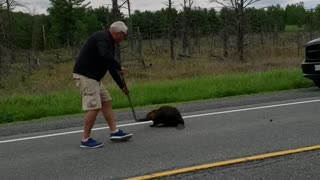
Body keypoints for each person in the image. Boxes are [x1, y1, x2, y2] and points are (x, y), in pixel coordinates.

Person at [73, 21, 132, 148]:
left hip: (94, 79)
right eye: (124, 35)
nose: (124, 38)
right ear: (117, 33)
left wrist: (122, 86)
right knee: (94, 106)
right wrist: (118, 66)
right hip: (86, 76)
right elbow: (104, 54)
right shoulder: (102, 37)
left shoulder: (110, 43)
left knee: (106, 101)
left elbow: (110, 66)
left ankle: (114, 132)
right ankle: (85, 139)